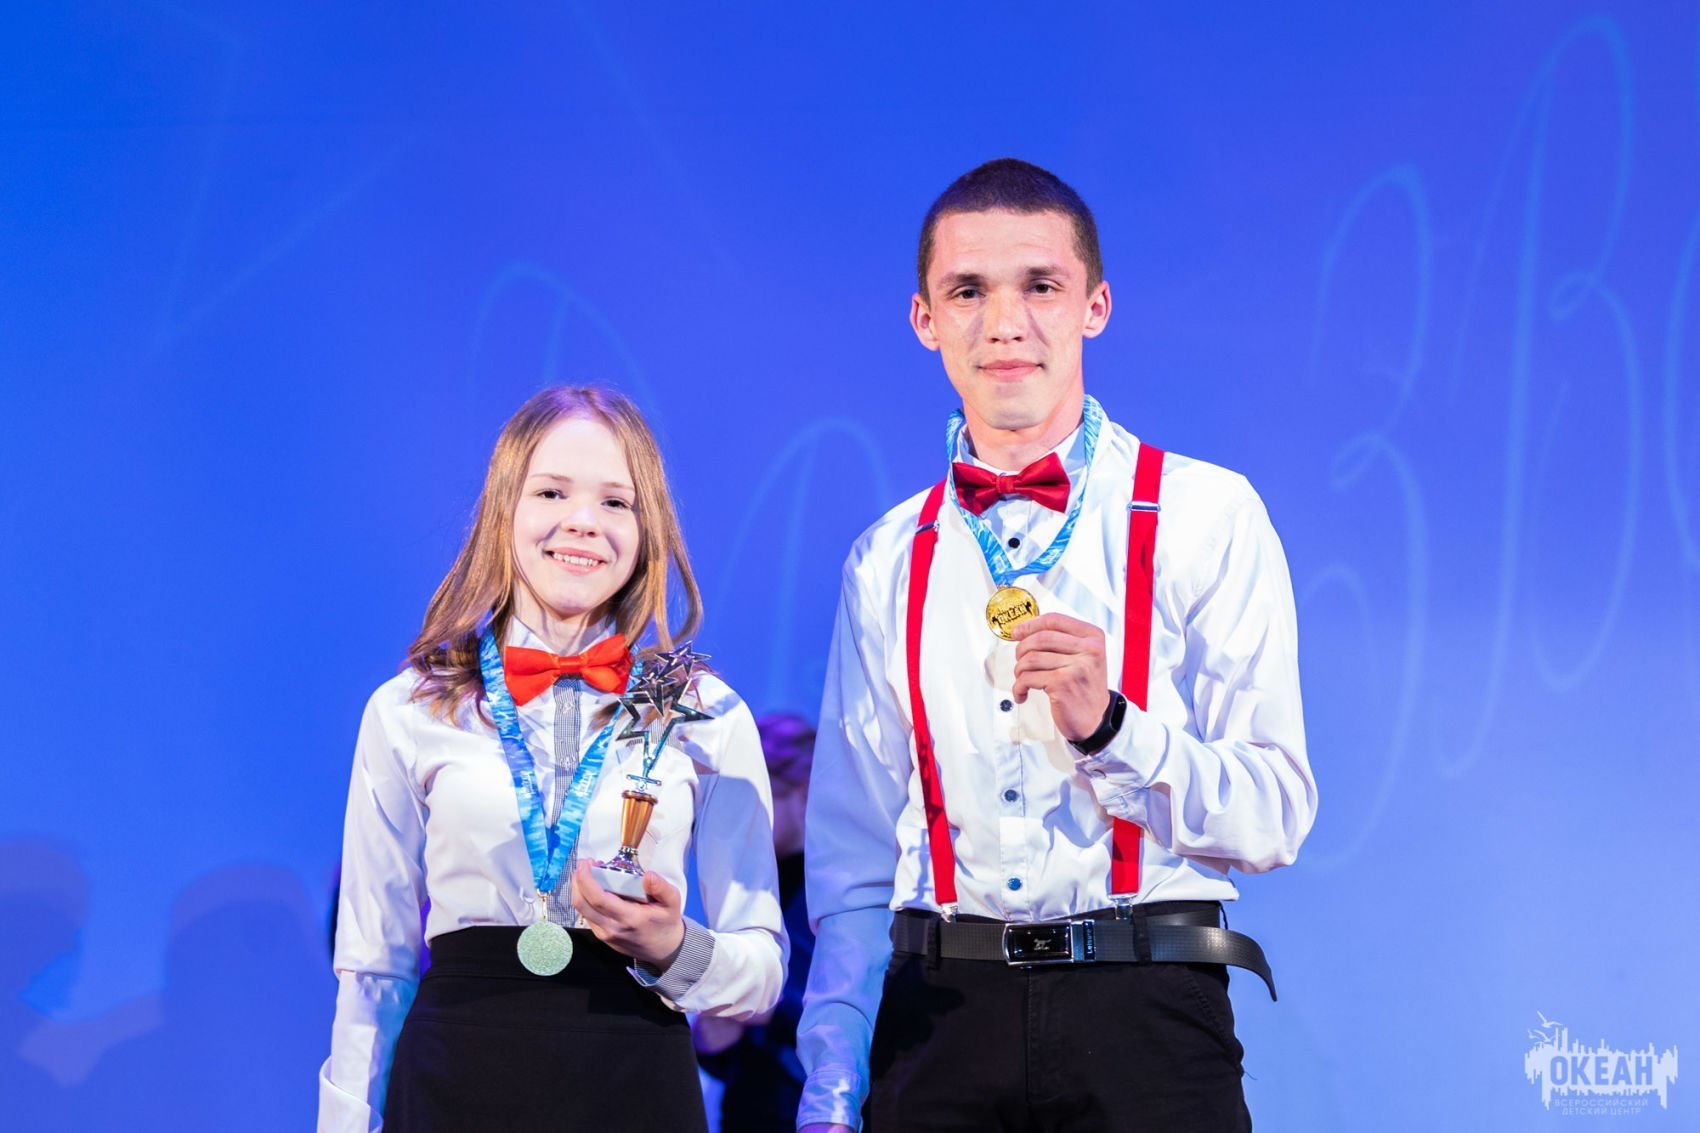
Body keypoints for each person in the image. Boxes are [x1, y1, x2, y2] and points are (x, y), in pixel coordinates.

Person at [796, 159, 1318, 1132]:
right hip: (939, 1021)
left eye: (1039, 285)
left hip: (1145, 1015)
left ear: (1094, 306)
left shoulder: (1208, 513)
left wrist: (1113, 727)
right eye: (968, 290)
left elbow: (1273, 815)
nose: (1005, 323)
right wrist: (830, 1085)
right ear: (924, 319)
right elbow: (852, 863)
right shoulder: (885, 557)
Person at [318, 386, 786, 1132]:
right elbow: (373, 966)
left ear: (647, 528)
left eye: (615, 501)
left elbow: (761, 972)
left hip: (636, 1076)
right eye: (552, 492)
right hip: (458, 1076)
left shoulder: (705, 711)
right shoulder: (410, 707)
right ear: (504, 509)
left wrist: (674, 948)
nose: (583, 521)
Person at [694, 713, 817, 1130]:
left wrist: (764, 1008)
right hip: (748, 1111)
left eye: (753, 805)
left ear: (804, 793)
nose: (737, 825)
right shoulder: (745, 885)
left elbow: (865, 1019)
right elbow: (724, 1054)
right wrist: (712, 1038)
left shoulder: (837, 894)